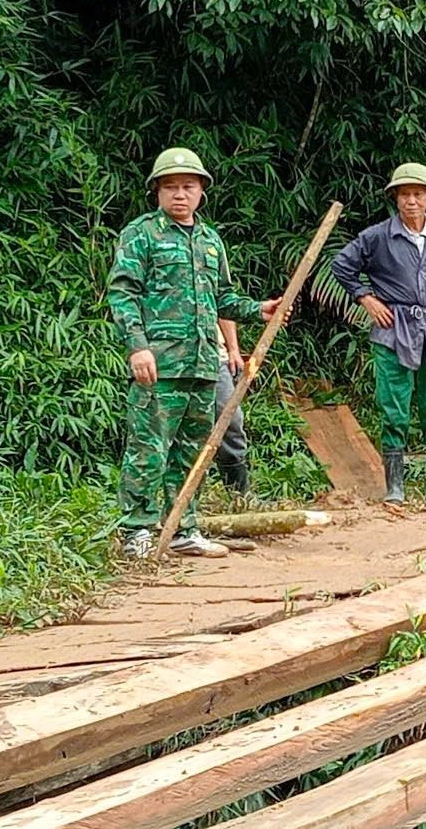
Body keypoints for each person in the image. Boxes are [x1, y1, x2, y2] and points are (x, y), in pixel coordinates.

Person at [108, 147, 284, 558]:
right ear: (157, 192)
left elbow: (222, 297)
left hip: (204, 365)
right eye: (170, 187)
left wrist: (259, 309)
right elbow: (122, 293)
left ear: (202, 190)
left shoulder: (209, 240)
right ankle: (136, 530)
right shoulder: (141, 234)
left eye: (188, 186)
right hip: (160, 365)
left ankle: (183, 527)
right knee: (148, 449)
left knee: (192, 450)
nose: (180, 194)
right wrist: (138, 348)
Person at [332, 163, 426, 505]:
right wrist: (366, 298)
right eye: (404, 194)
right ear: (395, 198)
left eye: (418, 194)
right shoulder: (378, 236)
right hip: (392, 330)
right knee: (394, 407)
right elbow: (342, 265)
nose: (411, 201)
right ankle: (395, 488)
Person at [213, 320, 251, 496]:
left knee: (231, 420)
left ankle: (239, 496)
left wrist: (233, 349)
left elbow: (223, 302)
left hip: (213, 357)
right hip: (168, 359)